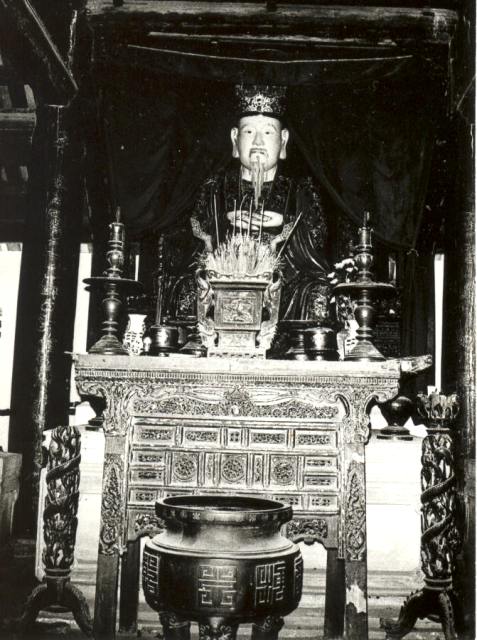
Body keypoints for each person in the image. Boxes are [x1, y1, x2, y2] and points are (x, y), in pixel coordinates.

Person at [187, 84, 330, 324]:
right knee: (189, 285)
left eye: (268, 132)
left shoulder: (300, 189)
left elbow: (317, 240)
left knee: (317, 291)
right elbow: (195, 229)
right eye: (249, 131)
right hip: (223, 278)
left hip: (281, 282)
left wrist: (285, 227)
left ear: (283, 140)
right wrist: (223, 222)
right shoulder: (215, 186)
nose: (258, 141)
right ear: (235, 138)